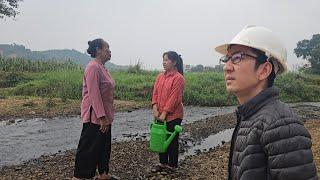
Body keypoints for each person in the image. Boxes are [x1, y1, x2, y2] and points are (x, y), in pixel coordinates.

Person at [215, 25, 318, 180]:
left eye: (237, 58)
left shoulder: (281, 124)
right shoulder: (249, 115)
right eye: (227, 59)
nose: (227, 67)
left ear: (264, 70)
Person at [72, 38, 118, 180]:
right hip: (95, 116)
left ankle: (103, 174)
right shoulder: (93, 67)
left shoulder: (102, 67)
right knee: (89, 148)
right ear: (98, 50)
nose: (110, 51)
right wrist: (102, 117)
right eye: (107, 48)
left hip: (105, 115)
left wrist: (106, 117)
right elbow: (94, 94)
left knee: (104, 146)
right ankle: (80, 177)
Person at [151, 51, 185, 173]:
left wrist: (164, 113)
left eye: (166, 60)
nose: (163, 62)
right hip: (159, 113)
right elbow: (154, 93)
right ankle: (162, 163)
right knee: (160, 137)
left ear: (174, 62)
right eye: (163, 60)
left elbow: (174, 98)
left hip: (174, 115)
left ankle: (172, 165)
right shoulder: (160, 76)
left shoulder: (178, 78)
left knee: (172, 141)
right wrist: (155, 108)